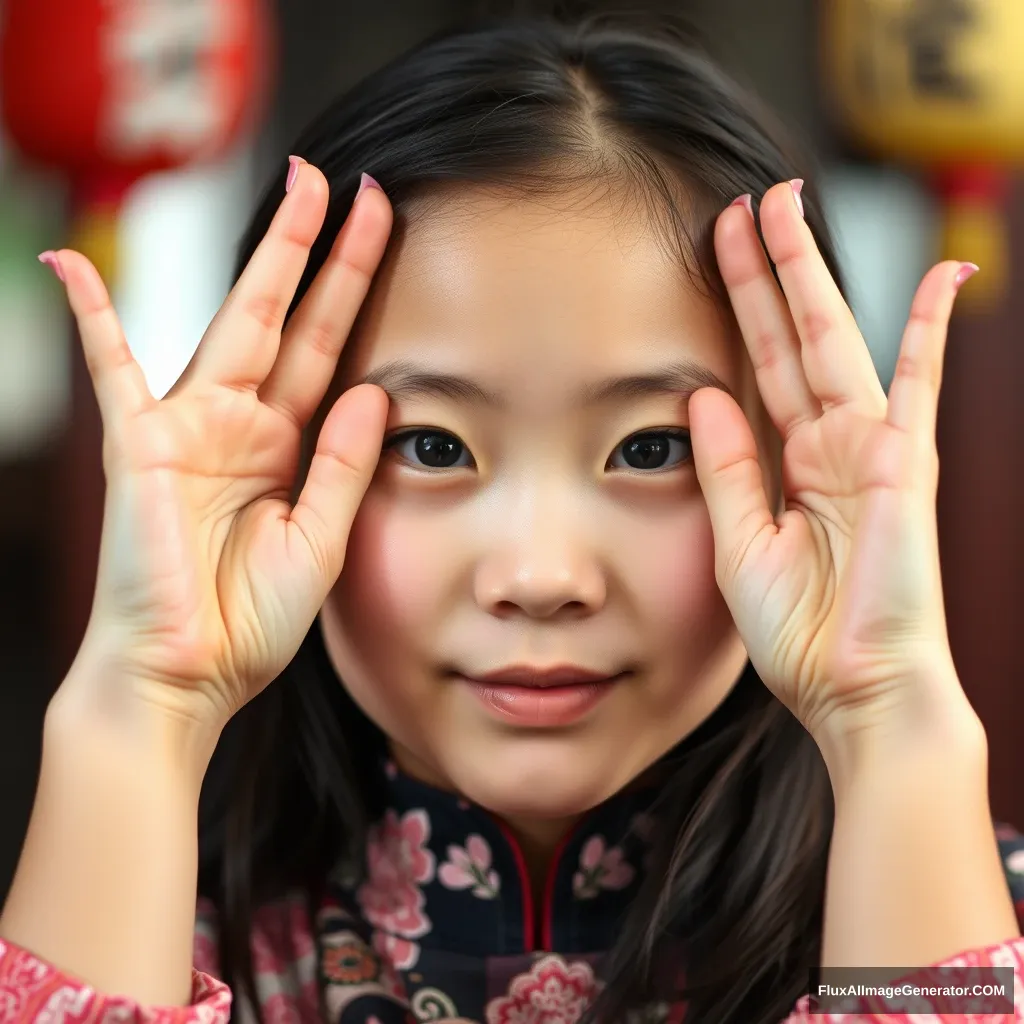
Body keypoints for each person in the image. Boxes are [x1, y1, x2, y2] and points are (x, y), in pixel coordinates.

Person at [1, 9, 1023, 1024]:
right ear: (287, 472)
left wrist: (892, 720)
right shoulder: (138, 929)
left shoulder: (969, 920)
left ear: (799, 483)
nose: (539, 574)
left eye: (650, 448)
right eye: (434, 447)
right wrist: (143, 703)